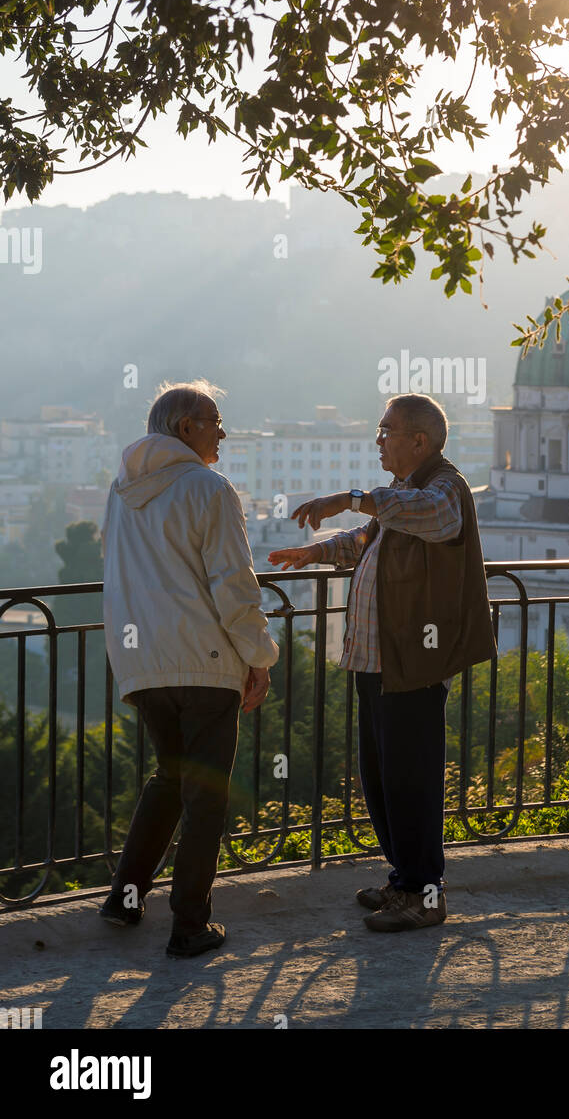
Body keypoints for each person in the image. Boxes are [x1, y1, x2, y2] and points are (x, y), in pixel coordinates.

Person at [268, 392, 497, 932]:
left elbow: (427, 518)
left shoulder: (445, 490)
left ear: (419, 441)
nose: (378, 440)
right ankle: (403, 882)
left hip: (411, 663)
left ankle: (426, 895)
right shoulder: (402, 492)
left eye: (387, 430)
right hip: (376, 662)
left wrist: (348, 496)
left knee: (412, 781)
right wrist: (315, 551)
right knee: (383, 777)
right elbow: (368, 540)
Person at [100, 380, 278, 958]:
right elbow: (233, 583)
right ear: (185, 429)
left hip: (142, 661)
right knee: (206, 796)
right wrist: (259, 655)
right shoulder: (210, 488)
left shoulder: (121, 490)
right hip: (203, 662)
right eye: (214, 421)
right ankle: (189, 925)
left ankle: (125, 900)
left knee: (171, 780)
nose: (222, 431)